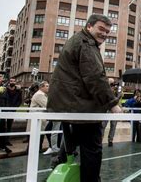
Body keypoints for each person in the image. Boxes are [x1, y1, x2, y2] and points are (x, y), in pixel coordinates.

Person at [47, 14, 122, 181]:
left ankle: (59, 166)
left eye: (107, 32)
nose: (104, 34)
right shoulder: (86, 44)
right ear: (89, 26)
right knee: (92, 150)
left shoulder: (78, 40)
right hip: (80, 106)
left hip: (69, 104)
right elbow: (95, 77)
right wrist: (112, 104)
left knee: (71, 145)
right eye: (101, 29)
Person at [102, 78, 121, 147]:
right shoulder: (105, 90)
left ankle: (110, 140)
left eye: (113, 84)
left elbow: (118, 99)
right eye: (111, 84)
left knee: (113, 125)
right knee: (103, 125)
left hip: (114, 110)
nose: (113, 85)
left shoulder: (117, 91)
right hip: (107, 109)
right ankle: (101, 139)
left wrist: (119, 93)